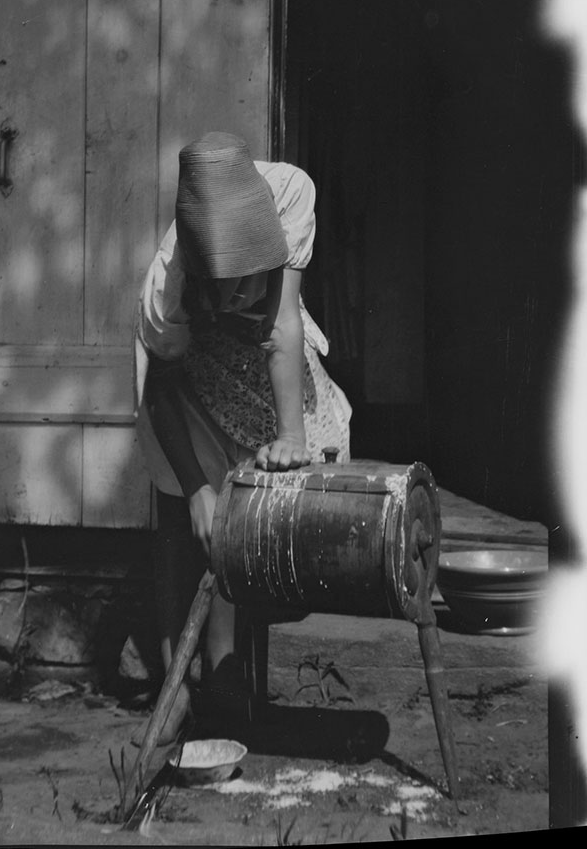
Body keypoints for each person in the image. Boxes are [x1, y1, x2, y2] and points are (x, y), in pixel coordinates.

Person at [134, 132, 351, 740]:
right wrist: (198, 489)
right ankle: (177, 687)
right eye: (220, 284)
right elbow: (161, 393)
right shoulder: (165, 293)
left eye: (244, 280)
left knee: (258, 485)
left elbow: (281, 326)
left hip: (264, 352)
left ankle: (225, 664)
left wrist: (290, 434)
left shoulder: (290, 195)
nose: (233, 296)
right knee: (188, 506)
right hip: (188, 370)